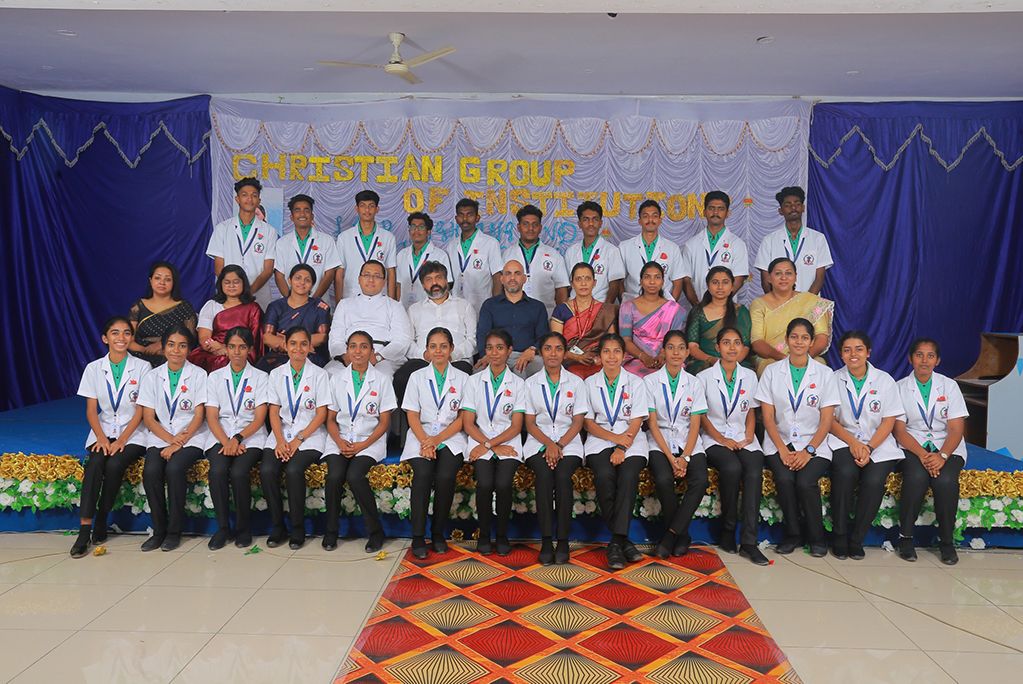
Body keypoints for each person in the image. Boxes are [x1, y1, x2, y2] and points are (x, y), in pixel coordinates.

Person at [756, 318, 839, 557]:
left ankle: (817, 537)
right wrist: (782, 449)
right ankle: (792, 534)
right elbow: (768, 417)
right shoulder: (772, 372)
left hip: (815, 444)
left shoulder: (824, 374)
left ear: (812, 342)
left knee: (805, 481)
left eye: (804, 338)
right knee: (784, 478)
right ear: (786, 340)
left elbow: (826, 421)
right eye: (794, 337)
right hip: (779, 442)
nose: (799, 342)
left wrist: (808, 451)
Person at [71, 316, 151, 558]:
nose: (121, 338)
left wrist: (122, 439)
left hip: (133, 433)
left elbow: (141, 410)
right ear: (105, 338)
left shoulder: (143, 367)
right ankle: (85, 529)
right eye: (115, 333)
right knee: (95, 463)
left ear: (131, 338)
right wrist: (102, 438)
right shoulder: (93, 368)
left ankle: (103, 518)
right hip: (103, 429)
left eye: (126, 333)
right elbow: (91, 410)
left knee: (115, 464)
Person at [827, 331, 904, 561]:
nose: (853, 354)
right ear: (841, 354)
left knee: (873, 481)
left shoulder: (885, 380)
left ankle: (857, 539)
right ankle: (839, 536)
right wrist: (853, 443)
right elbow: (829, 419)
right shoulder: (832, 379)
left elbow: (889, 421)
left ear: (868, 352)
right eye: (847, 350)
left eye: (859, 349)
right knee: (845, 472)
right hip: (843, 439)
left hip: (877, 443)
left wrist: (868, 448)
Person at [893, 338, 968, 566]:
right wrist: (924, 455)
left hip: (947, 446)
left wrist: (942, 455)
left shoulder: (949, 386)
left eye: (930, 356)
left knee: (945, 481)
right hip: (912, 445)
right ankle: (905, 538)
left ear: (938, 360)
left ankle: (946, 542)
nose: (924, 361)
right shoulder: (899, 387)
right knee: (916, 477)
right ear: (910, 359)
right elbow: (899, 430)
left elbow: (956, 428)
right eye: (919, 355)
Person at [698, 327, 769, 565]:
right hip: (714, 437)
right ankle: (727, 530)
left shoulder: (749, 376)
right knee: (731, 467)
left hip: (743, 436)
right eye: (726, 342)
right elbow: (702, 416)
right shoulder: (704, 378)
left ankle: (749, 542)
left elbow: (751, 412)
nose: (731, 347)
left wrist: (748, 436)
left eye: (736, 342)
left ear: (742, 347)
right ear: (717, 347)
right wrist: (721, 439)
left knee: (753, 470)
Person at [137, 326, 209, 552]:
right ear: (163, 347)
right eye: (171, 345)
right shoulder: (152, 376)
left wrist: (179, 442)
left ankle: (174, 532)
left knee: (175, 469)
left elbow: (199, 415)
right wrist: (170, 440)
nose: (176, 350)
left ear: (189, 349)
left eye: (182, 345)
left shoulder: (199, 374)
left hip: (192, 435)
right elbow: (149, 418)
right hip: (162, 435)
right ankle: (158, 531)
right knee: (151, 471)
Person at [323, 331, 396, 552]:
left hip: (369, 440)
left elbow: (384, 422)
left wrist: (362, 445)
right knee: (334, 476)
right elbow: (330, 419)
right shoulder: (337, 379)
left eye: (364, 346)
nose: (358, 351)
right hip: (340, 438)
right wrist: (339, 441)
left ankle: (375, 532)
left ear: (372, 351)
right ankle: (331, 531)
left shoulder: (382, 380)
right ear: (347, 351)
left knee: (355, 475)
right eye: (353, 346)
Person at [402, 327, 471, 559]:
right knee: (422, 474)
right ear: (427, 350)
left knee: (445, 476)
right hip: (420, 434)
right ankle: (418, 536)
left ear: (451, 349)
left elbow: (463, 417)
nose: (438, 351)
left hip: (450, 435)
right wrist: (426, 441)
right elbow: (412, 415)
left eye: (443, 346)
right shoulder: (416, 377)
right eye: (433, 346)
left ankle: (438, 533)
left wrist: (437, 440)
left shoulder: (463, 379)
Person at [583, 333, 650, 570]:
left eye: (616, 351)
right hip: (600, 439)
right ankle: (624, 542)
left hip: (631, 440)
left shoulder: (636, 383)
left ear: (624, 355)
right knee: (604, 475)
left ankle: (615, 544)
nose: (611, 356)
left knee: (628, 475)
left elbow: (637, 420)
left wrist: (622, 446)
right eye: (606, 351)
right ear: (599, 356)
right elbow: (588, 423)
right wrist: (614, 439)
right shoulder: (589, 383)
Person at [261, 327, 330, 550]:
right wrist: (280, 441)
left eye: (303, 343)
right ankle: (277, 526)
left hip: (310, 436)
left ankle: (298, 528)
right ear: (285, 346)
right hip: (281, 434)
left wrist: (298, 439)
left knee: (293, 470)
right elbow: (273, 411)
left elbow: (321, 414)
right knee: (267, 470)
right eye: (293, 343)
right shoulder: (276, 374)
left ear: (310, 347)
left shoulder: (320, 375)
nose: (298, 348)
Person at [523, 332, 588, 565]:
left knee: (562, 477)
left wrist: (558, 445)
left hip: (568, 443)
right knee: (543, 476)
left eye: (558, 349)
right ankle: (546, 541)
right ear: (541, 352)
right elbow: (530, 423)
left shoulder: (576, 383)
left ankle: (562, 541)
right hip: (538, 442)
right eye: (548, 348)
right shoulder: (530, 384)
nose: (553, 353)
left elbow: (578, 422)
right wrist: (549, 445)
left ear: (564, 353)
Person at [644, 331, 709, 559]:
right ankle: (683, 536)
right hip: (660, 440)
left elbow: (695, 424)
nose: (676, 353)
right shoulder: (650, 382)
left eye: (681, 348)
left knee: (700, 479)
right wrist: (672, 459)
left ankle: (671, 535)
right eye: (670, 347)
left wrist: (685, 457)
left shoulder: (694, 383)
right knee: (663, 479)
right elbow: (652, 424)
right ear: (663, 351)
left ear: (688, 352)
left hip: (687, 441)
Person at [204, 327, 269, 550]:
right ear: (226, 349)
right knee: (217, 471)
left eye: (242, 347)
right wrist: (227, 441)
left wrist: (238, 438)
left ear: (249, 349)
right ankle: (223, 528)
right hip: (220, 436)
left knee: (240, 472)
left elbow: (259, 417)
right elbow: (212, 416)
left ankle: (243, 529)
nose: (237, 352)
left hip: (250, 437)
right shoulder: (215, 377)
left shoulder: (260, 377)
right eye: (232, 347)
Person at [462, 329, 526, 556]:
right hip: (480, 440)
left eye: (500, 348)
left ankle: (502, 535)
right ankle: (484, 534)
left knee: (503, 483)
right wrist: (490, 445)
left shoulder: (518, 384)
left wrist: (492, 445)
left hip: (508, 441)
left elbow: (516, 426)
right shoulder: (473, 381)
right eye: (489, 348)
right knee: (485, 483)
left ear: (509, 351)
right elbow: (468, 423)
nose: (494, 353)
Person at [394, 261, 476, 405]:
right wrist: (424, 355)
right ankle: (411, 419)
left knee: (464, 378)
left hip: (456, 360)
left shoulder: (465, 306)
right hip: (422, 360)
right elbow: (408, 342)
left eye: (438, 278)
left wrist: (452, 355)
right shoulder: (414, 309)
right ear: (423, 285)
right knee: (401, 378)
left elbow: (472, 340)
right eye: (429, 279)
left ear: (446, 280)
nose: (434, 283)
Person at [749, 257, 834, 376]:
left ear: (795, 277)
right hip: (772, 358)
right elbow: (757, 342)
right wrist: (785, 359)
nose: (783, 277)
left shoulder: (811, 301)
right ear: (769, 278)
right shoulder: (759, 304)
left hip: (807, 356)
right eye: (778, 273)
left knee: (819, 364)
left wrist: (803, 358)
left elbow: (822, 337)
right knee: (771, 369)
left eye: (788, 273)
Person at [327, 260, 412, 378]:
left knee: (382, 377)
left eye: (377, 276)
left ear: (384, 282)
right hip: (349, 354)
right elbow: (335, 338)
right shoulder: (344, 304)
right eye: (367, 275)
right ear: (359, 279)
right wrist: (346, 357)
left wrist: (377, 357)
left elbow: (402, 340)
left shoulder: (395, 306)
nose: (371, 280)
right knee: (330, 373)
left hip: (382, 357)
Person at [205, 177, 277, 308]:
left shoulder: (269, 231)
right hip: (229, 296)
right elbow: (219, 267)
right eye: (244, 195)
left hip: (258, 295)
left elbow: (268, 269)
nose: (249, 199)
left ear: (259, 200)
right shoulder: (222, 228)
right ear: (237, 199)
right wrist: (233, 290)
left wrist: (249, 292)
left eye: (254, 195)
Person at [476, 260, 549, 378]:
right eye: (508, 273)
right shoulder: (489, 305)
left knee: (538, 365)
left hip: (526, 355)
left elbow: (543, 337)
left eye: (517, 273)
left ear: (524, 279)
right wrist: (486, 355)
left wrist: (532, 350)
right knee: (478, 371)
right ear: (502, 279)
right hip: (496, 354)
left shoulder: (537, 307)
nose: (512, 278)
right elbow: (482, 334)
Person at [754, 187, 833, 295]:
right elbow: (766, 279)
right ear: (780, 211)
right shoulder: (769, 241)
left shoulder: (818, 238)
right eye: (788, 205)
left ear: (803, 208)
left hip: (810, 302)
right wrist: (777, 301)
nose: (793, 207)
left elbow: (819, 278)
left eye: (797, 204)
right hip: (779, 303)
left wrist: (805, 302)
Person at [189, 265, 263, 373]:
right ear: (221, 284)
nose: (231, 286)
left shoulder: (253, 308)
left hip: (241, 352)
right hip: (213, 350)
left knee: (227, 362)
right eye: (227, 282)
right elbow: (204, 337)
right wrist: (216, 347)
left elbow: (254, 340)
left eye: (236, 282)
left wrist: (229, 349)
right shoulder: (211, 305)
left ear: (243, 284)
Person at [550, 262, 618, 379]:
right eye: (578, 279)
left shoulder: (606, 310)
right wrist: (577, 357)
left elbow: (611, 341)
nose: (583, 283)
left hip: (598, 361)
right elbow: (556, 345)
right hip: (568, 361)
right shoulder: (561, 310)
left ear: (594, 282)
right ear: (572, 284)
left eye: (587, 279)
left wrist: (601, 358)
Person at [682, 191, 749, 307]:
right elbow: (686, 279)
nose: (715, 212)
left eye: (720, 209)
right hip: (698, 307)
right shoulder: (691, 244)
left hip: (726, 308)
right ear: (704, 212)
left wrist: (719, 304)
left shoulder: (737, 244)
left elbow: (739, 278)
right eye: (711, 208)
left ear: (727, 213)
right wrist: (697, 306)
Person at [619, 261, 686, 377]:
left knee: (671, 374)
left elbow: (675, 340)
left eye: (657, 277)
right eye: (647, 277)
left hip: (667, 357)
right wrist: (643, 357)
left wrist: (662, 355)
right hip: (636, 358)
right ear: (641, 281)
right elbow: (625, 340)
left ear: (663, 282)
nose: (652, 282)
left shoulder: (674, 309)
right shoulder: (627, 307)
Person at [260, 264, 331, 371]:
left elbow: (322, 337)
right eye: (298, 278)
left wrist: (292, 343)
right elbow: (267, 337)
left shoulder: (319, 307)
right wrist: (292, 346)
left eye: (307, 280)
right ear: (289, 280)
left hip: (310, 355)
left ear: (312, 285)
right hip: (280, 355)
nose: (302, 282)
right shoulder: (275, 306)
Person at [501, 204, 569, 316]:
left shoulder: (554, 255)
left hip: (546, 316)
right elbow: (501, 286)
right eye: (526, 224)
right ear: (518, 227)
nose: (530, 229)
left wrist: (560, 317)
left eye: (535, 224)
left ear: (540, 227)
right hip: (513, 316)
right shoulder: (507, 255)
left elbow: (561, 288)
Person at [273, 194, 341, 302]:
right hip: (289, 305)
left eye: (306, 210)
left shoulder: (327, 240)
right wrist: (291, 301)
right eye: (297, 210)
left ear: (312, 216)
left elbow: (329, 274)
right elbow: (279, 276)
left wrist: (312, 302)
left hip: (318, 303)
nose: (302, 214)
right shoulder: (282, 243)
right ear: (291, 217)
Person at [128, 261, 197, 367]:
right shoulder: (138, 307)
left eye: (167, 279)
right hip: (141, 358)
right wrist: (146, 350)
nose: (162, 282)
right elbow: (128, 340)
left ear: (174, 283)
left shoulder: (184, 307)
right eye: (157, 278)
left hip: (174, 357)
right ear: (150, 281)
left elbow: (190, 339)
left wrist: (163, 346)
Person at [685, 266, 752, 374]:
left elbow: (745, 346)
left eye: (725, 282)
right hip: (704, 362)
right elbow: (692, 346)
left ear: (732, 286)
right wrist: (710, 359)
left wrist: (732, 364)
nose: (720, 287)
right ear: (708, 286)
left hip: (736, 362)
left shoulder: (740, 311)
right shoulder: (698, 312)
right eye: (715, 282)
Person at [335, 190, 398, 300]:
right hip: (351, 296)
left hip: (380, 297)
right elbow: (339, 273)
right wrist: (338, 302)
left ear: (377, 209)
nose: (367, 210)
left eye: (371, 206)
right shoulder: (344, 237)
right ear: (357, 209)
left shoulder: (388, 237)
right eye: (363, 206)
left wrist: (391, 302)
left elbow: (391, 272)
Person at [618, 200, 684, 301]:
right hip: (634, 303)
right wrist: (626, 305)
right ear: (639, 221)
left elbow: (678, 282)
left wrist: (669, 307)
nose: (650, 220)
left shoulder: (672, 248)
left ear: (660, 220)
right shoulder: (624, 247)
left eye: (654, 216)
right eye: (645, 216)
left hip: (663, 304)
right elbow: (619, 281)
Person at [445, 197, 503, 310]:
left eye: (469, 215)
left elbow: (497, 277)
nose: (465, 219)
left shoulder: (491, 243)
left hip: (483, 306)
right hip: (455, 306)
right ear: (456, 219)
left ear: (477, 218)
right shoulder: (451, 246)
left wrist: (495, 306)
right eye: (461, 215)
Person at [563, 201, 625, 305]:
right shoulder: (571, 251)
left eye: (595, 219)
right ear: (579, 224)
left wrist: (605, 308)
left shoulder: (611, 250)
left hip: (600, 306)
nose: (591, 224)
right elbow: (568, 285)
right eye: (586, 219)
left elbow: (615, 284)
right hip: (575, 307)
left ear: (600, 223)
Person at [396, 212, 454, 308]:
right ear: (409, 230)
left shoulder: (440, 255)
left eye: (421, 227)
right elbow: (398, 284)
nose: (416, 230)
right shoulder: (401, 255)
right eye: (413, 227)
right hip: (404, 307)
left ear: (428, 231)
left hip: (430, 309)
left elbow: (447, 284)